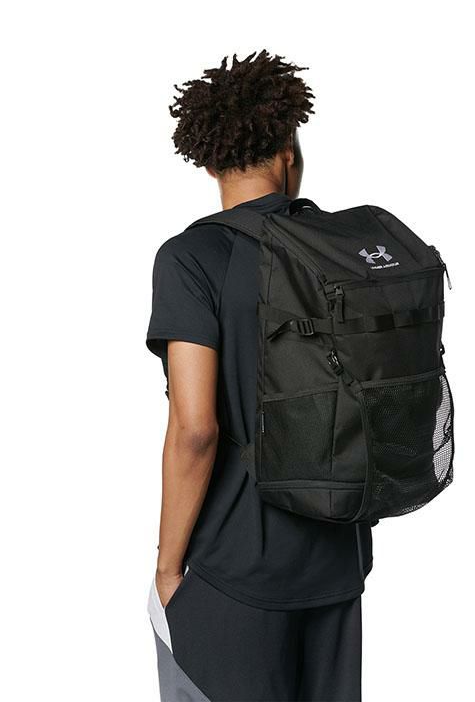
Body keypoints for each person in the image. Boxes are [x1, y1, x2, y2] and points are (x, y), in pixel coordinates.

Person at [146, 50, 372, 702]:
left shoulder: (192, 258)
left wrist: (167, 568)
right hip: (337, 562)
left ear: (209, 163)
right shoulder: (347, 250)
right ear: (288, 152)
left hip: (234, 570)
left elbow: (195, 429)